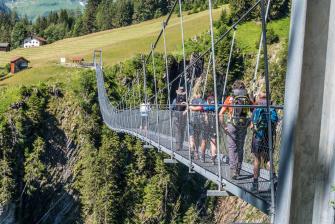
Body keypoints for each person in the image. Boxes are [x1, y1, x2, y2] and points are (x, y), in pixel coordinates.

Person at [219, 80, 251, 180]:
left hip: (232, 124)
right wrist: (251, 122)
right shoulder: (247, 98)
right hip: (243, 123)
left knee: (232, 147)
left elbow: (220, 114)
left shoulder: (230, 98)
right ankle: (238, 169)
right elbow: (253, 109)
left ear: (234, 88)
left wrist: (224, 125)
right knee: (240, 147)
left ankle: (233, 169)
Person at [250, 91, 278, 192]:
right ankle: (274, 179)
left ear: (259, 98)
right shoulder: (272, 107)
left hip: (257, 137)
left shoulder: (257, 108)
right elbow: (275, 121)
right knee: (268, 159)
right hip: (268, 137)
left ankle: (255, 184)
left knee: (257, 160)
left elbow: (252, 125)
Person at [189, 90, 206, 160]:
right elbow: (202, 108)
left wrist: (191, 108)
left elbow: (190, 108)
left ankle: (193, 150)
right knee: (199, 138)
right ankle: (197, 154)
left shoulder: (192, 100)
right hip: (200, 121)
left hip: (192, 120)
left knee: (192, 136)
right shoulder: (202, 100)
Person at [203, 94, 217, 164]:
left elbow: (205, 112)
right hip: (214, 121)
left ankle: (203, 155)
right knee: (213, 140)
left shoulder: (206, 102)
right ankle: (213, 158)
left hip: (207, 122)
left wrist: (206, 122)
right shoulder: (216, 101)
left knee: (205, 140)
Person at [172, 86, 187, 151]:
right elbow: (188, 107)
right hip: (183, 117)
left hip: (176, 116)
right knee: (182, 131)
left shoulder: (175, 99)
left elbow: (172, 108)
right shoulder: (186, 99)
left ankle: (178, 146)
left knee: (177, 131)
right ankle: (181, 145)